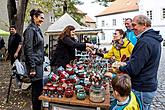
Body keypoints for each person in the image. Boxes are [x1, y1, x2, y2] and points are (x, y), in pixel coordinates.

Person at [118, 15, 163, 110]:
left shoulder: (145, 41)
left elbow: (134, 69)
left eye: (134, 25)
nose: (132, 27)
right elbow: (142, 60)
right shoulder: (153, 39)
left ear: (144, 25)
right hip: (147, 85)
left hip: (142, 87)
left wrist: (120, 67)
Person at [23, 9, 45, 110]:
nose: (42, 20)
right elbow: (28, 49)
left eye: (43, 18)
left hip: (38, 64)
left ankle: (37, 108)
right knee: (36, 90)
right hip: (34, 65)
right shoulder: (30, 30)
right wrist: (32, 67)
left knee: (39, 89)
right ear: (34, 17)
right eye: (41, 18)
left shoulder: (36, 28)